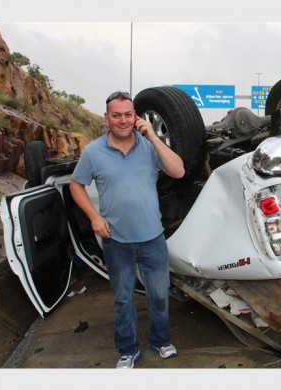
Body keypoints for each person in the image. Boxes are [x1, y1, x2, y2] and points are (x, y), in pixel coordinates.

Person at [69, 91, 185, 369]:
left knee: (159, 295)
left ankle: (160, 340)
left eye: (128, 115)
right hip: (116, 240)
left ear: (136, 117)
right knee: (123, 299)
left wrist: (154, 138)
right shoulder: (93, 152)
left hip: (152, 238)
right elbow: (76, 185)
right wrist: (94, 216)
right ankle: (127, 349)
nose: (123, 120)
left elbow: (178, 171)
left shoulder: (149, 147)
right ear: (107, 117)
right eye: (116, 115)